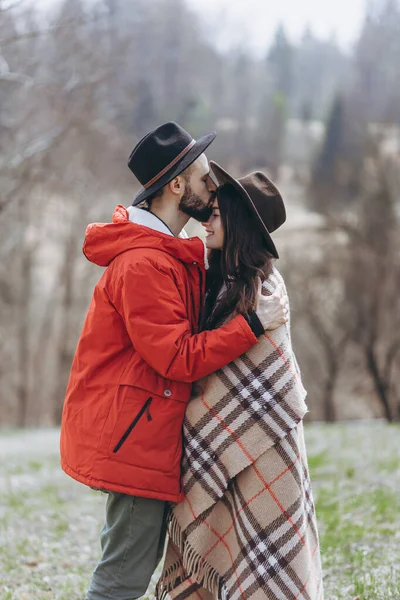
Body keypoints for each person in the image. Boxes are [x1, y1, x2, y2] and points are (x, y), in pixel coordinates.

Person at [59, 122, 288, 600]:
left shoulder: (168, 255)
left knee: (129, 572)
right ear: (177, 184)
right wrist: (251, 326)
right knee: (122, 579)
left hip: (148, 436)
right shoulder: (144, 264)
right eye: (205, 176)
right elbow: (177, 358)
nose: (213, 185)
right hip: (135, 440)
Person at [157, 162, 324, 600]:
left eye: (215, 213)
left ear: (238, 223)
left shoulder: (261, 290)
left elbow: (267, 379)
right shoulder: (215, 283)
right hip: (224, 449)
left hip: (267, 449)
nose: (205, 219)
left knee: (264, 568)